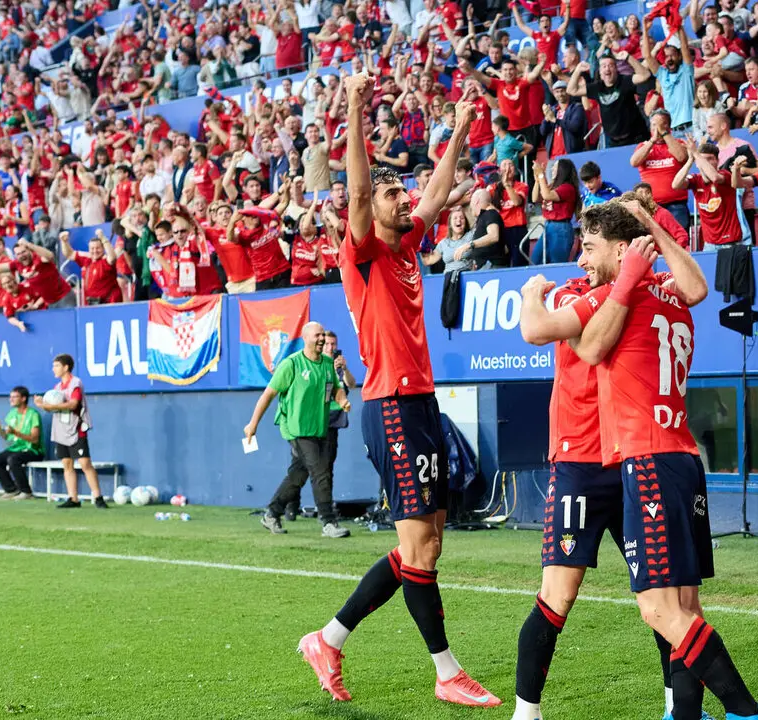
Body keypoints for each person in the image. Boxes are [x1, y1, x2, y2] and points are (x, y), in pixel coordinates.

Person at [516, 199, 758, 720]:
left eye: (588, 248)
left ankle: (748, 713)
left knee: (659, 610)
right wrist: (649, 236)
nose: (581, 259)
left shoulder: (622, 292)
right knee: (684, 609)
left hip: (645, 459)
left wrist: (538, 293)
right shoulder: (667, 293)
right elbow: (697, 289)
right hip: (678, 456)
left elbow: (579, 346)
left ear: (620, 249)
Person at [297, 73, 501, 708]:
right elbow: (358, 186)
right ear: (372, 209)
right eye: (392, 192)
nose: (401, 196)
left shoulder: (409, 240)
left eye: (401, 189)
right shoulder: (360, 251)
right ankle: (446, 671)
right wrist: (355, 106)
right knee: (420, 546)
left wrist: (463, 125)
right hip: (389, 407)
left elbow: (437, 192)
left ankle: (327, 639)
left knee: (428, 541)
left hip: (419, 404)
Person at [244, 321, 351, 539]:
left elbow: (336, 390)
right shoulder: (291, 364)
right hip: (296, 429)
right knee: (320, 471)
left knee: (297, 476)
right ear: (306, 338)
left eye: (323, 335)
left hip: (318, 428)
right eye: (317, 335)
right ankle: (329, 522)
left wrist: (343, 401)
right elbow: (268, 395)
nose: (321, 339)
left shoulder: (327, 365)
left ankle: (272, 513)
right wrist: (253, 424)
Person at [35, 354, 107, 509]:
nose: (53, 369)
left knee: (84, 463)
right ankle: (73, 498)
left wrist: (50, 406)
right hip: (61, 430)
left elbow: (73, 404)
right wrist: (42, 405)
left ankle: (98, 497)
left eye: (56, 366)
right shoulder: (56, 389)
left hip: (76, 429)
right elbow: (52, 409)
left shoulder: (75, 383)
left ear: (66, 367)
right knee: (67, 463)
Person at [676, 140, 743, 249]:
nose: (705, 162)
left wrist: (697, 154)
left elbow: (715, 178)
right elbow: (675, 185)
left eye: (710, 159)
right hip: (709, 244)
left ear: (718, 161)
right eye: (703, 159)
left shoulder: (725, 175)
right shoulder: (695, 180)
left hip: (730, 243)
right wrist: (690, 160)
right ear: (697, 163)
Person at [0, 386, 44, 501]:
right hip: (17, 448)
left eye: (14, 397)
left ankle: (26, 492)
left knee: (13, 459)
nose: (11, 399)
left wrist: (16, 433)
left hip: (34, 450)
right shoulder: (11, 414)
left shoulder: (33, 414)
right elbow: (7, 437)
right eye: (10, 397)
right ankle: (11, 490)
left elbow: (35, 439)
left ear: (23, 398)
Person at [322, 330, 357, 494]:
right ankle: (291, 503)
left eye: (333, 344)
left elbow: (351, 384)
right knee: (302, 464)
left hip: (333, 421)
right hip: (314, 419)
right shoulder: (318, 364)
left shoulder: (339, 366)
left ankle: (326, 506)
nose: (330, 348)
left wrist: (345, 369)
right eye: (327, 344)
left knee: (327, 463)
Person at [531, 158, 581, 264]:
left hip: (561, 228)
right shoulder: (551, 187)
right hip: (548, 226)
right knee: (536, 260)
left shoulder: (567, 188)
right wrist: (537, 180)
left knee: (556, 262)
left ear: (563, 170)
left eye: (556, 166)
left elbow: (547, 195)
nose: (552, 169)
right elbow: (535, 198)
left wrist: (541, 175)